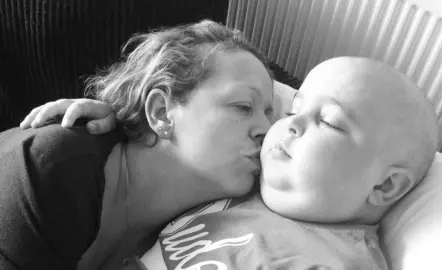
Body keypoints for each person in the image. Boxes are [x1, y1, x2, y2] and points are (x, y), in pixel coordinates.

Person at [23, 57, 439, 269]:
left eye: (328, 121)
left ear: (384, 187)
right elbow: (173, 151)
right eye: (294, 109)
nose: (288, 126)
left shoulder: (328, 261)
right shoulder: (239, 184)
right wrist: (118, 117)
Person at [0, 20, 275, 270]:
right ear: (161, 112)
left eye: (269, 114)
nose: (266, 130)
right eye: (243, 106)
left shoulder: (200, 223)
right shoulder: (52, 169)